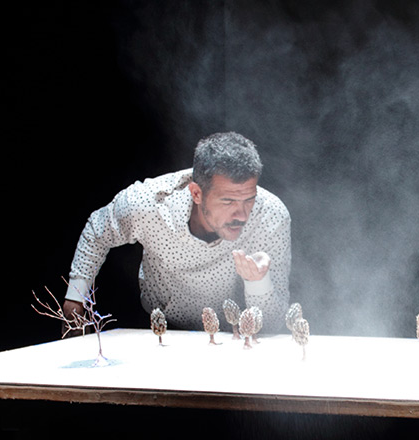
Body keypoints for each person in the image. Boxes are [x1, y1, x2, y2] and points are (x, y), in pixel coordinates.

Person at [63, 132, 291, 332]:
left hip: (230, 332)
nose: (241, 214)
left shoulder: (270, 215)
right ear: (196, 193)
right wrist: (75, 298)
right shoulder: (149, 203)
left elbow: (271, 324)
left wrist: (257, 282)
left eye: (248, 199)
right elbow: (97, 229)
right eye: (228, 201)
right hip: (157, 326)